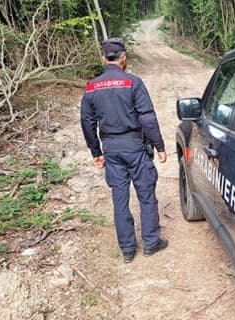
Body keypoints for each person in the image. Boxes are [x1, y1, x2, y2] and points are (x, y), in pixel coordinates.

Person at [80, 38, 168, 263]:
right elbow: (147, 117)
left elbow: (87, 122)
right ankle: (151, 243)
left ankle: (128, 250)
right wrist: (159, 146)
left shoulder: (91, 87)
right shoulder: (133, 82)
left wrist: (96, 152)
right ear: (123, 57)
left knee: (119, 199)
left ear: (103, 58)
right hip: (135, 147)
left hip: (111, 149)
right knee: (146, 194)